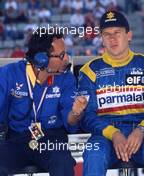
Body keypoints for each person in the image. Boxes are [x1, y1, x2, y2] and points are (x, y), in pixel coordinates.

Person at [79, 11, 144, 176]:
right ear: (101, 39)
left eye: (117, 33)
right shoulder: (90, 71)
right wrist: (113, 133)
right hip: (104, 135)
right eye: (107, 34)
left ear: (129, 35)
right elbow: (87, 116)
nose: (112, 38)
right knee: (93, 155)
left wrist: (142, 129)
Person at [0, 28, 87, 176]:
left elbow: (70, 120)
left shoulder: (66, 78)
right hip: (17, 139)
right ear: (42, 59)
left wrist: (76, 113)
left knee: (63, 161)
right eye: (61, 55)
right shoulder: (10, 74)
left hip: (52, 139)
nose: (66, 59)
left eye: (65, 53)